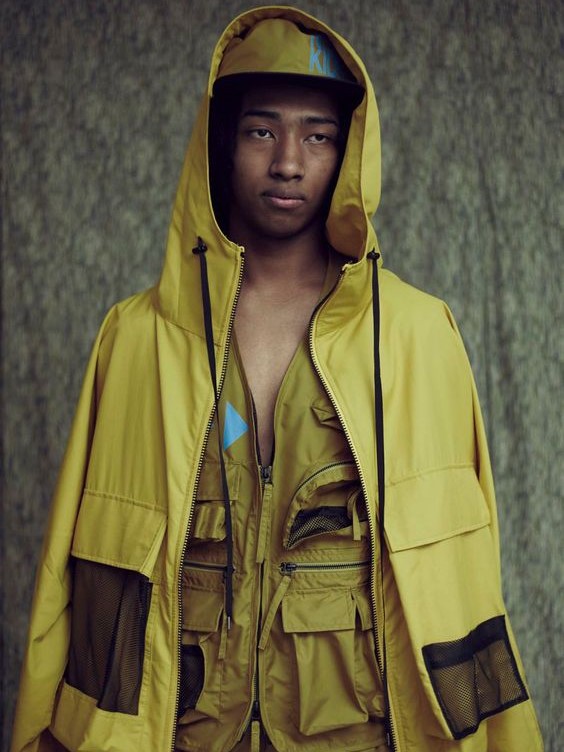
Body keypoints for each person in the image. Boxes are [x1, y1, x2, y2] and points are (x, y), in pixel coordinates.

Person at [11, 6, 543, 752]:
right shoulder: (136, 339)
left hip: (361, 732)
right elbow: (76, 578)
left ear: (348, 153)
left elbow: (463, 579)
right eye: (262, 131)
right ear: (220, 142)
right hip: (176, 731)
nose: (288, 162)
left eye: (318, 136)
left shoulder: (419, 335)